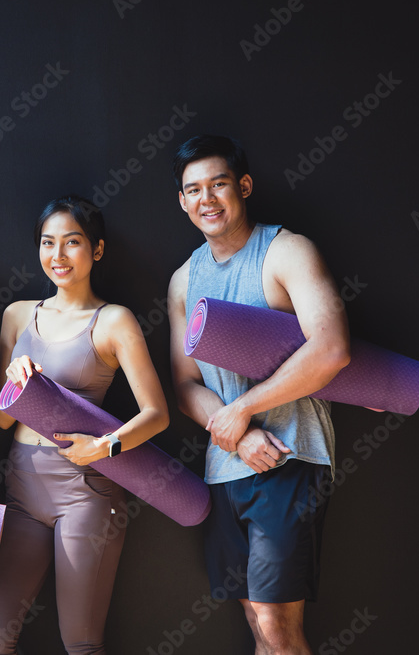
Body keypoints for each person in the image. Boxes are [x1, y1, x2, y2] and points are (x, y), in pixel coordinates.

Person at [167, 135, 351, 654]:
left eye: (219, 184)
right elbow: (185, 386)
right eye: (193, 189)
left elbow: (332, 349)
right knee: (256, 624)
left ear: (243, 186)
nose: (207, 199)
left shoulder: (285, 250)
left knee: (276, 625)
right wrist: (237, 434)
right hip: (227, 467)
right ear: (182, 201)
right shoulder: (184, 280)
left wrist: (244, 410)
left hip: (289, 458)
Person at [0, 195, 169, 655]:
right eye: (47, 243)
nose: (57, 256)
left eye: (72, 243)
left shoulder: (113, 320)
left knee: (80, 642)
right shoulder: (18, 315)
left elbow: (157, 413)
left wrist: (106, 447)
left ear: (96, 250)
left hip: (87, 488)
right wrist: (14, 379)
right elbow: (1, 419)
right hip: (22, 485)